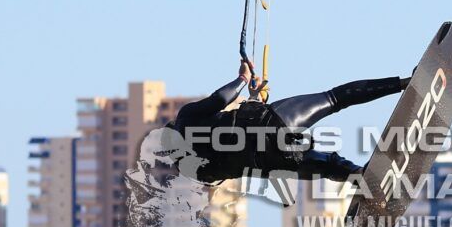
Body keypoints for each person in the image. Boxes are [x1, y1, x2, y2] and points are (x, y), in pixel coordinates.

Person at [166, 59, 411, 184]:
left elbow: (232, 155)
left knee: (327, 167)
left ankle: (359, 175)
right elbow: (221, 98)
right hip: (271, 124)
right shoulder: (185, 119)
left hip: (269, 162)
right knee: (334, 99)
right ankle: (402, 84)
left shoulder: (194, 171)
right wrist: (243, 78)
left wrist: (252, 99)